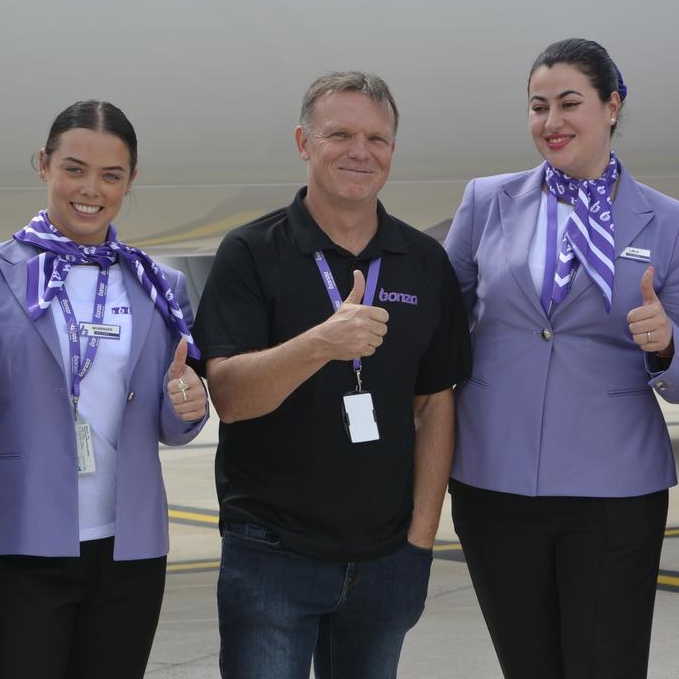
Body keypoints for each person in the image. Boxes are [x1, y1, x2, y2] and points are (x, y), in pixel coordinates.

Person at [192, 71, 472, 679]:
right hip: (272, 555)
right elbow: (232, 397)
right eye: (339, 134)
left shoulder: (423, 262)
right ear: (304, 143)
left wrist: (421, 539)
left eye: (377, 138)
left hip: (387, 557)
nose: (360, 151)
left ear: (392, 150)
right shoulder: (250, 252)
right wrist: (323, 342)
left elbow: (435, 404)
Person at [443, 39, 679, 677]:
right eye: (538, 107)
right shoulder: (487, 202)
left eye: (570, 103)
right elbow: (441, 316)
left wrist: (666, 342)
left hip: (613, 488)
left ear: (612, 106)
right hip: (495, 478)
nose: (551, 122)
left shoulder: (670, 223)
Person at [0, 100, 208, 679]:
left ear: (130, 181)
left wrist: (189, 407)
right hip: (19, 540)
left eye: (111, 175)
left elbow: (171, 418)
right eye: (74, 168)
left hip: (129, 546)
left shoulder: (156, 282)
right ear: (43, 165)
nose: (90, 189)